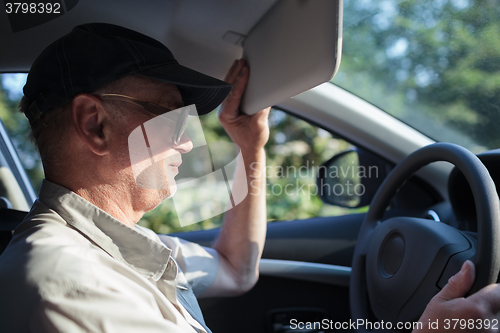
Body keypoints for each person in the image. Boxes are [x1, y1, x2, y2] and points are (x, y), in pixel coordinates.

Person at [0, 22, 498, 333]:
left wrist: (250, 146)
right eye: (172, 116)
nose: (189, 141)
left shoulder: (116, 248)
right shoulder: (66, 281)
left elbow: (237, 268)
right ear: (95, 124)